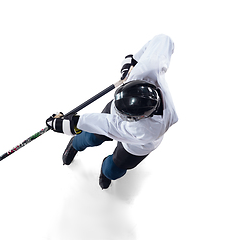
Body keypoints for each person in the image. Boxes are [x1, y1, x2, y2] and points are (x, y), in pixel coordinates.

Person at [46, 34, 178, 189]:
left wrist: (71, 123)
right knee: (91, 137)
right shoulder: (150, 67)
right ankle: (75, 144)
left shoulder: (147, 130)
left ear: (140, 117)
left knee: (112, 170)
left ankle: (105, 172)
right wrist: (133, 61)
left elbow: (109, 125)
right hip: (123, 108)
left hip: (139, 145)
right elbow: (164, 39)